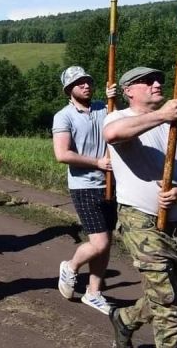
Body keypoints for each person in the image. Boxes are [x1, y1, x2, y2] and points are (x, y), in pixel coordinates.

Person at [103, 67, 177, 348]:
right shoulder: (119, 117)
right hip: (140, 221)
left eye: (159, 80)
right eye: (147, 81)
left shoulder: (174, 128)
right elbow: (113, 135)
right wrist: (162, 115)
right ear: (129, 91)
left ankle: (125, 318)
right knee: (169, 309)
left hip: (176, 223)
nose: (157, 84)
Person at [52, 66, 117, 315]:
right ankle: (70, 266)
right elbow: (62, 154)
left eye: (88, 81)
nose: (86, 86)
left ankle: (94, 293)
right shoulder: (64, 116)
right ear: (69, 90)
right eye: (80, 83)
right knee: (99, 242)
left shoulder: (104, 108)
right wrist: (97, 163)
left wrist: (114, 99)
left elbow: (120, 126)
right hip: (84, 186)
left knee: (106, 242)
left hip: (110, 184)